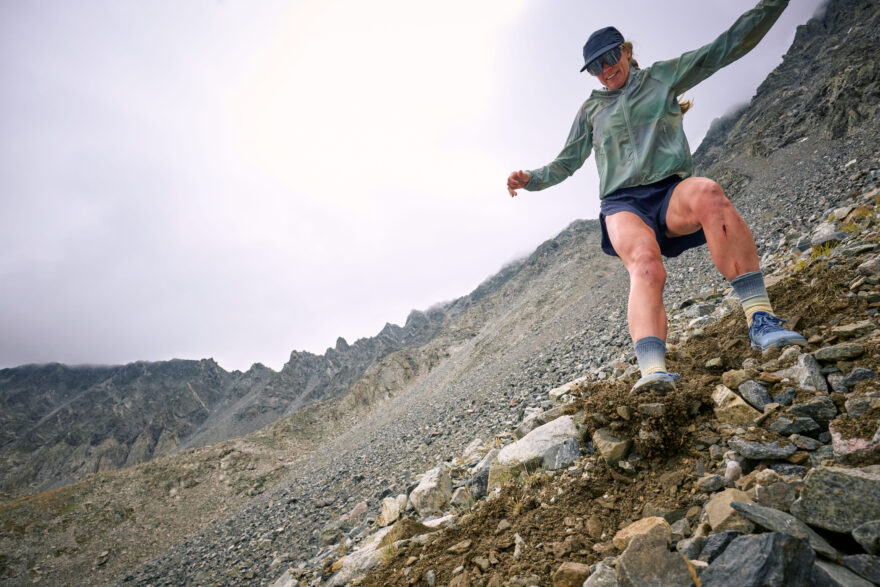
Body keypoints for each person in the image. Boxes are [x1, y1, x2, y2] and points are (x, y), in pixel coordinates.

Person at [507, 0, 806, 393]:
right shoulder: (591, 110)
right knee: (646, 265)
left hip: (669, 191)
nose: (605, 70)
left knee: (709, 193)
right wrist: (530, 179)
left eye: (610, 57)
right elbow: (566, 163)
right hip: (623, 204)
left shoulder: (663, 77)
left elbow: (726, 46)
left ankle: (762, 320)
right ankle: (652, 373)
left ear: (627, 51)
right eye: (595, 67)